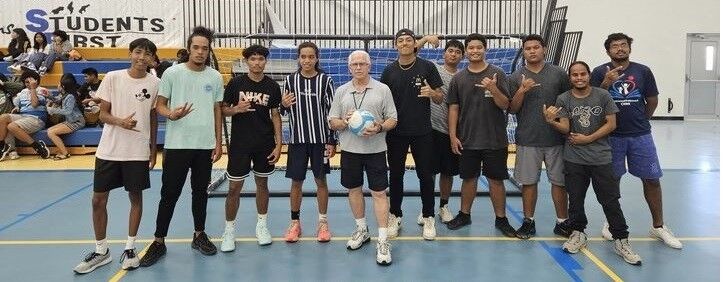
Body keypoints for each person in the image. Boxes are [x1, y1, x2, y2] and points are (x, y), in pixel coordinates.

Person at [72, 38, 160, 274]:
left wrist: (152, 150)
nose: (142, 57)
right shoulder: (113, 77)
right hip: (109, 149)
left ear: (152, 58)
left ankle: (130, 249)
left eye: (148, 54)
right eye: (138, 52)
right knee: (97, 200)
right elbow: (102, 115)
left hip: (137, 151)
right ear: (131, 53)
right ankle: (101, 251)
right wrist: (121, 122)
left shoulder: (155, 83)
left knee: (136, 199)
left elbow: (152, 118)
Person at [139, 26, 224, 267]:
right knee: (169, 194)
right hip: (177, 146)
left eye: (204, 48)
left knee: (200, 193)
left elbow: (217, 110)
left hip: (204, 145)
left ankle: (199, 235)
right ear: (189, 49)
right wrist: (171, 115)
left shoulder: (215, 77)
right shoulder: (172, 74)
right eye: (195, 47)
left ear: (209, 51)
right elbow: (160, 106)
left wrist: (218, 142)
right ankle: (158, 241)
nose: (200, 52)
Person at [544, 60, 642, 265]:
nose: (579, 78)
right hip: (574, 159)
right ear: (570, 78)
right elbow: (565, 127)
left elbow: (612, 124)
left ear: (589, 75)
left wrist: (588, 139)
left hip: (600, 158)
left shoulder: (602, 95)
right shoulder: (564, 98)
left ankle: (621, 240)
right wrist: (551, 121)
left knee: (610, 200)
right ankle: (578, 233)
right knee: (576, 199)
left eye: (582, 74)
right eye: (574, 75)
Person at [590, 33, 682, 249]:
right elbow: (593, 100)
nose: (620, 49)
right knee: (611, 182)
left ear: (629, 48)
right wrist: (606, 82)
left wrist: (641, 119)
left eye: (624, 45)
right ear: (608, 51)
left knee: (651, 179)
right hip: (610, 136)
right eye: (615, 46)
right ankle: (611, 223)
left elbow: (651, 100)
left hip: (640, 135)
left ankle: (658, 227)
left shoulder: (643, 71)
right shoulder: (598, 72)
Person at [328, 50, 398, 265]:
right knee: (354, 190)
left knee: (379, 194)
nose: (358, 67)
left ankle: (383, 240)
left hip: (376, 150)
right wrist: (346, 122)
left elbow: (393, 119)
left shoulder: (382, 89)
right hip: (350, 151)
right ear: (349, 68)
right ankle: (361, 229)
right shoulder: (342, 91)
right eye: (354, 64)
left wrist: (378, 127)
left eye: (362, 63)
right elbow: (333, 121)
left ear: (370, 66)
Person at [446, 33, 517, 237]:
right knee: (468, 179)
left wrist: (493, 88)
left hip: (494, 139)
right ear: (466, 51)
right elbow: (453, 108)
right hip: (467, 139)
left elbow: (506, 105)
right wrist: (453, 135)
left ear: (485, 49)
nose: (475, 51)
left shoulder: (497, 73)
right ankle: (464, 214)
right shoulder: (458, 78)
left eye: (479, 47)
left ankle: (501, 219)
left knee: (496, 180)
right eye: (471, 47)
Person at [380, 28, 444, 240]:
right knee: (395, 175)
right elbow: (383, 103)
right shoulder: (389, 71)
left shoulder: (427, 67)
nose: (405, 43)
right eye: (401, 40)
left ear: (414, 44)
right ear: (395, 45)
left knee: (425, 175)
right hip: (396, 132)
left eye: (409, 40)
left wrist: (432, 93)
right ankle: (395, 215)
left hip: (422, 132)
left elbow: (439, 98)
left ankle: (428, 216)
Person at [218, 44, 282, 250]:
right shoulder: (236, 84)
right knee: (234, 188)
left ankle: (261, 226)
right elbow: (223, 110)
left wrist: (279, 143)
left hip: (264, 143)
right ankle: (229, 231)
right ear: (247, 62)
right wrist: (236, 109)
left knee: (262, 185)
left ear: (265, 61)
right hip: (240, 144)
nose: (257, 62)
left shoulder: (272, 86)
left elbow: (275, 115)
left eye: (260, 59)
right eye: (253, 59)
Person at [507, 34, 571, 239]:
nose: (532, 51)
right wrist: (522, 91)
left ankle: (562, 222)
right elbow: (512, 108)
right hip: (528, 137)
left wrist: (560, 121)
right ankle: (528, 222)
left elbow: (569, 102)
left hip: (556, 138)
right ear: (523, 52)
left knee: (559, 182)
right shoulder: (516, 77)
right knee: (528, 182)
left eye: (536, 47)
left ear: (544, 49)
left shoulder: (559, 74)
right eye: (528, 48)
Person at [279, 42, 337, 243]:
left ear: (317, 58)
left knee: (321, 181)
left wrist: (332, 140)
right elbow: (284, 110)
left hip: (320, 140)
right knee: (296, 182)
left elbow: (332, 113)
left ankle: (322, 223)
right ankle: (295, 223)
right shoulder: (290, 80)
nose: (307, 60)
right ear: (298, 58)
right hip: (297, 140)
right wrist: (283, 104)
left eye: (311, 57)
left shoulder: (325, 80)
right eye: (303, 56)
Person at [415, 36, 465, 223]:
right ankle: (426, 209)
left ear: (462, 56)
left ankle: (443, 206)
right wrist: (426, 38)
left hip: (451, 132)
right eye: (450, 50)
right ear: (444, 53)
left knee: (448, 172)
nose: (453, 54)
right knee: (428, 171)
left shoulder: (462, 76)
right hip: (430, 129)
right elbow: (412, 52)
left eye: (458, 52)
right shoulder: (433, 68)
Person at [0, 71, 51, 161]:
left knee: (11, 126)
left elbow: (34, 104)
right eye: (26, 82)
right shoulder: (22, 92)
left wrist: (33, 88)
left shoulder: (42, 90)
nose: (28, 84)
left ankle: (37, 146)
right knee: (3, 117)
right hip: (23, 116)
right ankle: (2, 146)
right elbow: (17, 103)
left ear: (36, 81)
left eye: (30, 82)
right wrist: (17, 107)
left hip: (37, 118)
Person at [46, 73, 85, 160]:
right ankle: (62, 150)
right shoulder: (66, 94)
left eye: (59, 83)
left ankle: (65, 153)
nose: (58, 84)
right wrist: (49, 96)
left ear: (63, 86)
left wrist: (52, 110)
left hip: (76, 122)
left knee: (51, 133)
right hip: (71, 120)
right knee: (49, 130)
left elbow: (67, 111)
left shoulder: (70, 96)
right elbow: (59, 101)